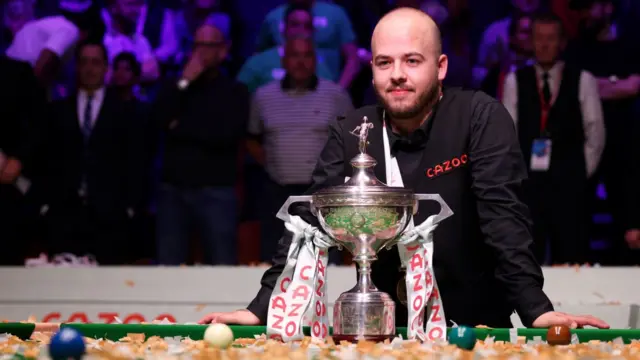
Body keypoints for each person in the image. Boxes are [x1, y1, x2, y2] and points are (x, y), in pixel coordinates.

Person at [199, 7, 609, 329]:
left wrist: (537, 310)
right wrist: (261, 307)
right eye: (384, 62)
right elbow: (308, 226)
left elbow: (504, 220)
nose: (397, 75)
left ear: (441, 66)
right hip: (383, 331)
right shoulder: (352, 129)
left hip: (474, 330)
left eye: (413, 60)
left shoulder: (479, 116)